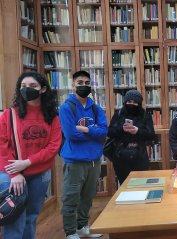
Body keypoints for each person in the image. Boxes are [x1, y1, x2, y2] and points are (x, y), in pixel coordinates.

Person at [0, 72, 61, 239]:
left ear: (42, 89)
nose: (27, 89)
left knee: (32, 217)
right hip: (14, 176)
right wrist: (15, 173)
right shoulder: (9, 114)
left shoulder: (52, 116)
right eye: (23, 86)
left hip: (40, 175)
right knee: (14, 219)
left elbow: (53, 146)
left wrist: (27, 162)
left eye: (32, 86)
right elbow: (2, 145)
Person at [59, 70, 108, 239]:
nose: (84, 86)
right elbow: (71, 134)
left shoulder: (96, 108)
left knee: (87, 197)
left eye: (87, 83)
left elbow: (104, 132)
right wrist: (93, 132)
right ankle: (70, 231)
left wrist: (86, 129)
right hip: (75, 161)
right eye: (80, 83)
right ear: (73, 85)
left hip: (94, 160)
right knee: (71, 197)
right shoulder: (67, 108)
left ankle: (82, 226)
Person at [107, 90, 155, 184]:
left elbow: (151, 135)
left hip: (139, 156)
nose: (131, 104)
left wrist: (137, 131)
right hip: (121, 157)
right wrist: (122, 129)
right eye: (129, 101)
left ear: (139, 103)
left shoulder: (145, 116)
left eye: (134, 102)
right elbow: (109, 132)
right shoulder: (118, 114)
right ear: (125, 102)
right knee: (124, 185)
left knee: (141, 184)